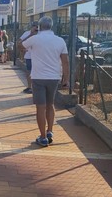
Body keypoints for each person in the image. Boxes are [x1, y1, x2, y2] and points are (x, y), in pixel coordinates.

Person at [20, 16, 69, 147]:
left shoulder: (34, 39)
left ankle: (42, 137)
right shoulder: (60, 41)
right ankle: (50, 132)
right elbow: (65, 61)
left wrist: (31, 33)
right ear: (51, 26)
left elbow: (20, 46)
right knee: (50, 104)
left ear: (39, 27)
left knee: (40, 107)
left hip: (38, 77)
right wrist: (66, 79)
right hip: (54, 77)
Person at [19, 21, 39, 94]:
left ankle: (36, 88)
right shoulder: (26, 33)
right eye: (34, 26)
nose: (36, 28)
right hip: (29, 56)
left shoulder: (40, 34)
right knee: (29, 72)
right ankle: (29, 87)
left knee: (37, 73)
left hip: (38, 57)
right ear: (31, 26)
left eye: (37, 26)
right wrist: (30, 35)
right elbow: (20, 42)